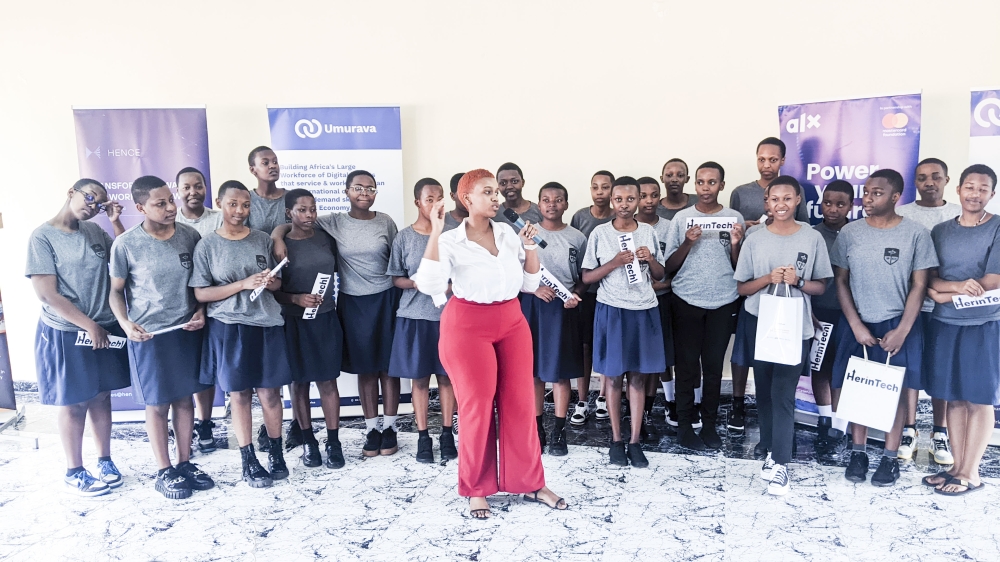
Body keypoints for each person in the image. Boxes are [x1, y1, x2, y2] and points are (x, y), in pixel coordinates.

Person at [412, 169, 567, 519]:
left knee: (521, 405)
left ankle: (531, 482)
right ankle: (477, 488)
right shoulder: (450, 240)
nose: (497, 197)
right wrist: (435, 232)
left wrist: (529, 247)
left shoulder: (508, 234)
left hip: (512, 321)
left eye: (497, 191)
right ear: (467, 199)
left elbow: (529, 284)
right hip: (468, 325)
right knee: (478, 407)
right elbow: (429, 283)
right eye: (488, 192)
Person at [273, 170, 401, 457]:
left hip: (385, 299)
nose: (364, 193)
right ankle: (371, 429)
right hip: (353, 302)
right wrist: (277, 236)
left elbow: (396, 259)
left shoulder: (386, 222)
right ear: (346, 191)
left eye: (370, 188)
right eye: (358, 187)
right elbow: (294, 223)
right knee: (365, 366)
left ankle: (390, 427)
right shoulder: (333, 223)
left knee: (388, 367)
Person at [108, 176, 215, 499]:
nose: (171, 207)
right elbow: (115, 292)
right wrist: (125, 324)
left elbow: (200, 284)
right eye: (161, 203)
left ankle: (184, 463)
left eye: (171, 200)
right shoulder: (125, 244)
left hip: (187, 331)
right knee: (157, 404)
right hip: (149, 336)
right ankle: (164, 470)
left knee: (185, 399)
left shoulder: (189, 236)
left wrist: (201, 311)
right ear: (140, 208)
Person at [831, 169, 938, 487]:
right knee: (859, 391)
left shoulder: (916, 234)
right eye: (866, 191)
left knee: (892, 393)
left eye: (877, 192)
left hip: (899, 324)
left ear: (895, 197)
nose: (868, 197)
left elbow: (920, 285)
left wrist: (903, 329)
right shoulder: (850, 233)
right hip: (858, 323)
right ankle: (859, 452)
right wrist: (855, 324)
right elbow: (840, 280)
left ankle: (890, 459)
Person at [27, 179, 130, 496]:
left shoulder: (95, 232)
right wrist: (88, 325)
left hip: (104, 326)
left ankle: (105, 460)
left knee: (101, 396)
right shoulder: (43, 237)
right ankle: (74, 470)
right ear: (71, 192)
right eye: (89, 197)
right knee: (74, 402)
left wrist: (113, 221)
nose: (93, 205)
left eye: (99, 202)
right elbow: (47, 293)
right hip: (69, 330)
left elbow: (126, 256)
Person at [733, 176, 833, 495]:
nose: (781, 205)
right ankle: (768, 446)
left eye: (787, 198)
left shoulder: (812, 237)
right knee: (763, 391)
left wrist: (799, 281)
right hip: (759, 322)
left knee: (783, 392)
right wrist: (767, 278)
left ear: (798, 200)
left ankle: (781, 465)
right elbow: (741, 287)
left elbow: (822, 285)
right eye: (775, 199)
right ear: (767, 202)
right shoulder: (754, 238)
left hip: (795, 327)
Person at [191, 180, 292, 488]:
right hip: (229, 327)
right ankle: (248, 459)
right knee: (240, 395)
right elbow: (200, 293)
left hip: (266, 323)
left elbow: (277, 283)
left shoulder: (261, 239)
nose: (239, 211)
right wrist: (242, 284)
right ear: (220, 204)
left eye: (246, 205)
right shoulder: (207, 245)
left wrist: (271, 282)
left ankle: (276, 452)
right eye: (233, 204)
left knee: (271, 394)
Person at [922, 164, 999, 496]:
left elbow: (991, 283)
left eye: (983, 189)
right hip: (944, 323)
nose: (975, 194)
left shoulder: (997, 227)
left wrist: (943, 293)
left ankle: (972, 471)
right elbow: (930, 281)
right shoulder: (940, 231)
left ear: (992, 194)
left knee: (978, 398)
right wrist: (950, 288)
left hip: (983, 324)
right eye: (970, 187)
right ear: (958, 190)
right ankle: (955, 466)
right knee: (952, 396)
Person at [582, 176, 667, 467]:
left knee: (639, 376)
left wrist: (650, 259)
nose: (625, 205)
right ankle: (616, 440)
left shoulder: (647, 232)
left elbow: (660, 275)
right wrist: (614, 262)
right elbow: (587, 277)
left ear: (640, 200)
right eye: (619, 199)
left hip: (643, 310)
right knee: (614, 377)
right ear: (612, 200)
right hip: (612, 310)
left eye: (631, 199)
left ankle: (635, 440)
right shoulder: (600, 234)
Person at [664, 162, 745, 451]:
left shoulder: (734, 218)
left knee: (712, 368)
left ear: (721, 185)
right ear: (694, 185)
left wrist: (736, 243)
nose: (706, 187)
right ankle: (685, 426)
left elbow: (740, 267)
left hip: (723, 300)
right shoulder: (682, 219)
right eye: (700, 182)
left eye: (712, 182)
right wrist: (687, 242)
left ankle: (710, 426)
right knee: (686, 367)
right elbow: (668, 266)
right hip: (686, 299)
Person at [272, 188, 346, 470]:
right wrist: (295, 298)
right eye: (302, 210)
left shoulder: (326, 238)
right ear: (289, 212)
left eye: (313, 209)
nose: (309, 215)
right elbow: (272, 291)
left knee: (328, 382)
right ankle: (308, 441)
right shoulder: (280, 245)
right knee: (299, 384)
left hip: (326, 318)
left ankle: (333, 441)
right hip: (292, 321)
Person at [894, 157, 961, 464]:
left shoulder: (960, 214)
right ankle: (909, 430)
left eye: (936, 177)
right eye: (922, 178)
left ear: (947, 180)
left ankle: (940, 433)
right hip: (910, 305)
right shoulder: (902, 214)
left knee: (941, 370)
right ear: (915, 182)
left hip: (949, 307)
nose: (929, 182)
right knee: (910, 368)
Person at [387, 178, 458, 463]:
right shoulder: (404, 237)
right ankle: (422, 437)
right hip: (414, 317)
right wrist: (418, 284)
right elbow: (396, 278)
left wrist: (449, 286)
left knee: (447, 378)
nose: (435, 203)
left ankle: (446, 434)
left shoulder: (452, 234)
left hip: (447, 317)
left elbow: (461, 274)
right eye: (429, 198)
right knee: (419, 380)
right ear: (418, 202)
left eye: (439, 198)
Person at [522, 181, 587, 456]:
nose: (552, 204)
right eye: (546, 199)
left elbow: (584, 277)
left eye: (558, 199)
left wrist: (575, 294)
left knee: (560, 374)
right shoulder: (526, 234)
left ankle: (559, 431)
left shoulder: (577, 237)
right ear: (538, 204)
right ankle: (537, 429)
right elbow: (515, 271)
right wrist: (534, 289)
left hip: (564, 309)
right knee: (535, 372)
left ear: (566, 204)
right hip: (534, 307)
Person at [173, 166, 222, 453]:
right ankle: (182, 425)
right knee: (181, 370)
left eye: (198, 185)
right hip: (177, 308)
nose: (193, 192)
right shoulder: (170, 219)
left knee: (206, 369)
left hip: (212, 305)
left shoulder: (218, 219)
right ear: (178, 190)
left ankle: (204, 422)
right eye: (187, 187)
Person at [810, 180, 855, 463]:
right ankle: (825, 421)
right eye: (828, 203)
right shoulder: (812, 234)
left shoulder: (859, 233)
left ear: (851, 205)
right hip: (818, 313)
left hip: (850, 315)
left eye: (840, 204)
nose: (833, 209)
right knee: (821, 369)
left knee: (844, 372)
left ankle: (841, 427)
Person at [569, 170, 615, 425]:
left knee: (607, 347)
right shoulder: (580, 217)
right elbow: (574, 255)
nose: (600, 192)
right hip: (586, 293)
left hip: (611, 294)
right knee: (585, 347)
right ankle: (583, 398)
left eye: (605, 187)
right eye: (595, 187)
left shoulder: (617, 218)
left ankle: (603, 397)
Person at [636, 177, 675, 434]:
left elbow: (674, 270)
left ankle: (654, 409)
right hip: (629, 304)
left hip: (660, 301)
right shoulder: (621, 228)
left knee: (659, 359)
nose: (648, 201)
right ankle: (632, 410)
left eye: (654, 195)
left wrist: (654, 287)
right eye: (643, 195)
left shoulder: (670, 227)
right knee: (635, 362)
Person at [730, 137, 809, 227]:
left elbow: (804, 226)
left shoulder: (795, 190)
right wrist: (744, 226)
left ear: (782, 160)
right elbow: (731, 229)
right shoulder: (740, 193)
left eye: (773, 160)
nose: (766, 165)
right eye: (761, 160)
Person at [247, 146, 289, 234]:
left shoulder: (291, 197)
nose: (273, 166)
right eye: (265, 163)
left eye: (275, 162)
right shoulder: (247, 200)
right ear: (253, 170)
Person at [494, 162, 543, 229]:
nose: (509, 187)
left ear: (522, 183)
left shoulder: (539, 211)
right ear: (498, 186)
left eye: (514, 181)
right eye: (503, 183)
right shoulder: (494, 214)